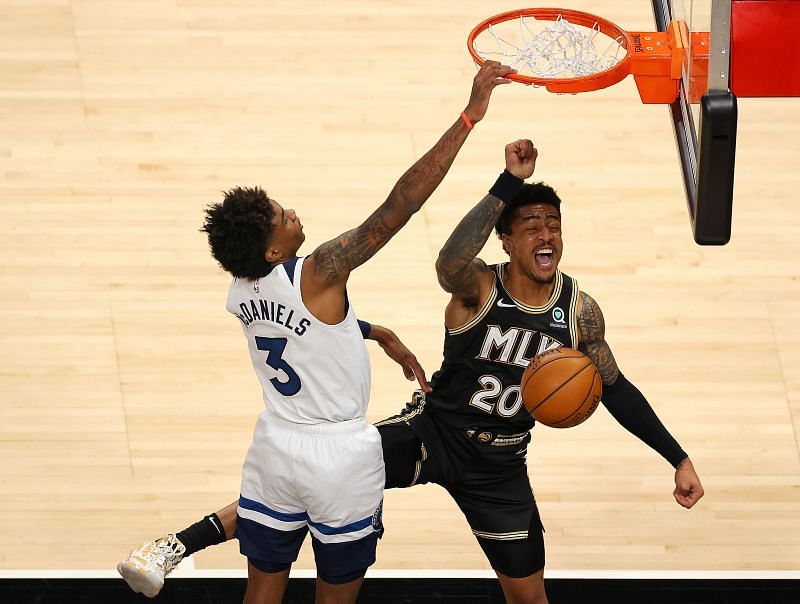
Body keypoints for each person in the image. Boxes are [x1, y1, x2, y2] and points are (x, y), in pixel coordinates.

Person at [120, 143, 705, 604]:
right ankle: (179, 543)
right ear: (505, 239)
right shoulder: (478, 284)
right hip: (433, 431)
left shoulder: (580, 311)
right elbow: (447, 257)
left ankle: (173, 546)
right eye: (530, 225)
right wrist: (506, 186)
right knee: (308, 488)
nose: (545, 234)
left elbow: (615, 388)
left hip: (500, 464)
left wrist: (675, 456)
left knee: (529, 594)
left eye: (552, 224)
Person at [116, 60, 516, 604]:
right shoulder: (320, 268)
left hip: (276, 446)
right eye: (283, 216)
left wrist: (373, 331)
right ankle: (175, 546)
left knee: (261, 592)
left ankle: (174, 546)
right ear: (276, 250)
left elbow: (305, 333)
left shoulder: (241, 289)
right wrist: (470, 116)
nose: (294, 212)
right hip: (341, 457)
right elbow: (400, 206)